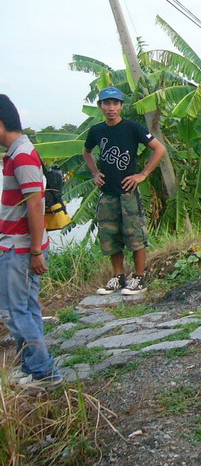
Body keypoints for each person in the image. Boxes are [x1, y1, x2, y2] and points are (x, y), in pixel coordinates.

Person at [0, 94, 62, 387]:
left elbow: (35, 204)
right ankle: (31, 366)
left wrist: (36, 251)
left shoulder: (22, 155)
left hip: (21, 248)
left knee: (15, 312)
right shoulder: (15, 154)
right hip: (19, 245)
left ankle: (44, 372)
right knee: (26, 308)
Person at [83, 87, 165, 295]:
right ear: (100, 106)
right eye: (106, 103)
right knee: (110, 235)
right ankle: (118, 277)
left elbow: (159, 148)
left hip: (128, 191)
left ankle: (138, 278)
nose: (111, 108)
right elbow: (86, 151)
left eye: (115, 103)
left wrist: (143, 174)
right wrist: (94, 172)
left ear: (121, 106)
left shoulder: (132, 128)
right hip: (107, 192)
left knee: (135, 234)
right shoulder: (97, 131)